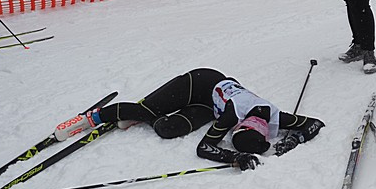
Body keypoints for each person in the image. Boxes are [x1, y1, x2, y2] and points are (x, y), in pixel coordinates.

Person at [53, 69, 325, 170]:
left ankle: (138, 117)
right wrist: (232, 158)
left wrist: (297, 138)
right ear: (240, 125)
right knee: (149, 109)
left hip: (209, 105)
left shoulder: (275, 116)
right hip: (198, 83)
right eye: (234, 134)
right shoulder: (232, 116)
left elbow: (315, 123)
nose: (229, 135)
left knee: (167, 129)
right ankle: (89, 118)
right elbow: (203, 148)